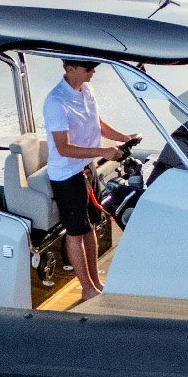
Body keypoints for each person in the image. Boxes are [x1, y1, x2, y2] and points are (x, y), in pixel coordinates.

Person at [42, 57, 137, 298]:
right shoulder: (55, 102)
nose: (93, 72)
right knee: (76, 232)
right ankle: (86, 289)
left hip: (86, 168)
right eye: (88, 68)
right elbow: (63, 148)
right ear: (69, 69)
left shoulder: (86, 88)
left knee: (91, 226)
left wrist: (122, 137)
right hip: (67, 175)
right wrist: (103, 151)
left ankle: (95, 283)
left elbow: (97, 123)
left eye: (94, 67)